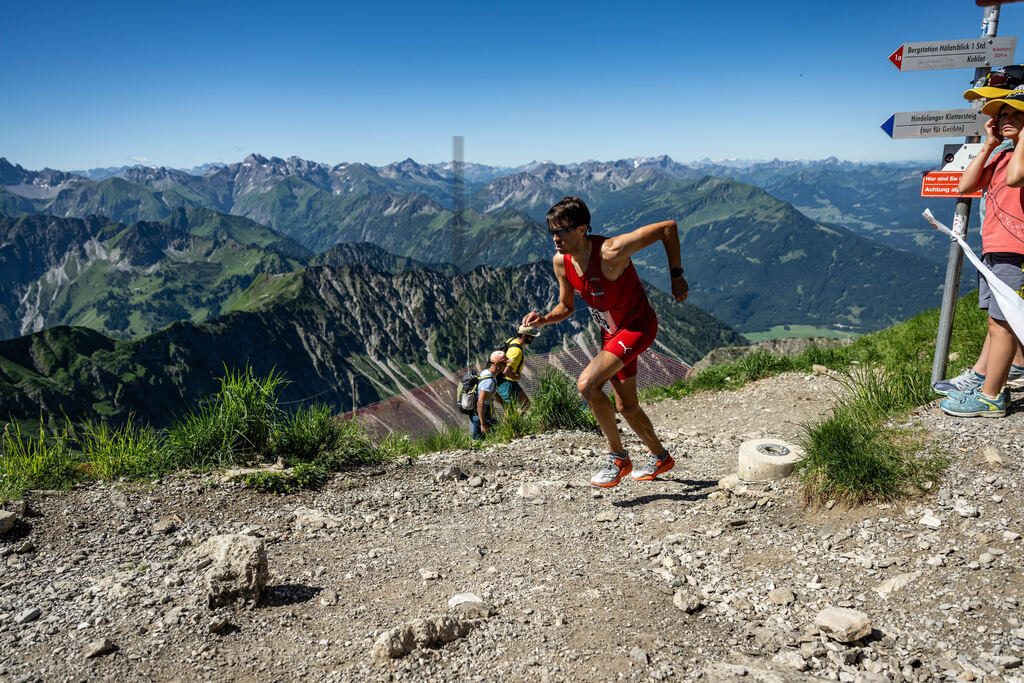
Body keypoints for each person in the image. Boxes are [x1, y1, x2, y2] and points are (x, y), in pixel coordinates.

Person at [522, 196, 688, 486]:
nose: (555, 238)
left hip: (638, 328)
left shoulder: (611, 252)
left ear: (581, 229)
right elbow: (567, 307)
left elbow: (668, 228)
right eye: (551, 231)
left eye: (561, 230)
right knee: (627, 407)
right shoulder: (561, 262)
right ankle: (661, 457)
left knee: (587, 384)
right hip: (611, 334)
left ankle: (618, 457)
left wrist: (676, 277)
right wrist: (544, 319)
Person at [941, 87, 1024, 417]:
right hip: (994, 251)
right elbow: (967, 185)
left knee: (1001, 325)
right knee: (998, 322)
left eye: (1013, 113)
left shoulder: (1019, 156)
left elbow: (1017, 179)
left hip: (1016, 252)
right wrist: (989, 144)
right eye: (1002, 115)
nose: (1004, 120)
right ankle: (993, 377)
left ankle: (991, 397)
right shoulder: (1005, 154)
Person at [497, 325, 538, 409]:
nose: (533, 338)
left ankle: (518, 420)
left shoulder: (512, 340)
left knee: (526, 404)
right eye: (531, 337)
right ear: (524, 336)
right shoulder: (516, 351)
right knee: (509, 411)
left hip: (509, 381)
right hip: (506, 382)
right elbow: (505, 371)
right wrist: (516, 377)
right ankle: (512, 421)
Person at [472, 350, 507, 440]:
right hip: (482, 417)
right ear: (497, 364)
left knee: (479, 442)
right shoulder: (489, 381)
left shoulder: (486, 373)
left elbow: (492, 393)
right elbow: (480, 402)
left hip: (479, 415)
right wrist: (483, 424)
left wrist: (504, 403)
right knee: (481, 442)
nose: (506, 366)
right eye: (504, 364)